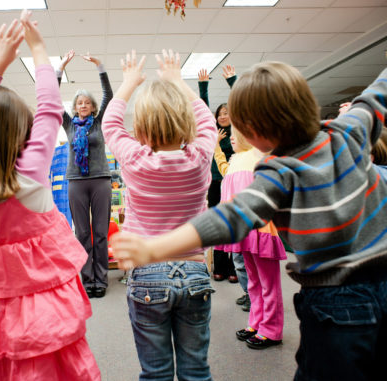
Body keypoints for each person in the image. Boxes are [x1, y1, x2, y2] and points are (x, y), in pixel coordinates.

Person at [111, 23, 387, 380]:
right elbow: (383, 90)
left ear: (254, 133)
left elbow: (230, 217)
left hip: (337, 303)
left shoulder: (277, 173)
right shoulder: (349, 130)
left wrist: (155, 248)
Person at [0, 12, 100, 380]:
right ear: (20, 134)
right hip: (43, 310)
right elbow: (49, 108)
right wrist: (39, 50)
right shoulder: (28, 175)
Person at [102, 49, 217, 380]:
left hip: (147, 275)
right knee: (196, 369)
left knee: (156, 371)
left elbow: (110, 123)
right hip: (195, 273)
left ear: (140, 128)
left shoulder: (135, 160)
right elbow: (206, 118)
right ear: (187, 124)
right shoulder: (199, 158)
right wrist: (178, 81)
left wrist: (128, 84)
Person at [214, 127, 286, 349]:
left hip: (261, 229)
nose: (232, 138)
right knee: (253, 281)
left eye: (238, 134)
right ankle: (256, 322)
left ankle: (272, 330)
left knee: (268, 283)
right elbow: (223, 167)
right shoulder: (236, 159)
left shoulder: (259, 155)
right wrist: (217, 146)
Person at [57, 49, 113, 298]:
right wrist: (60, 69)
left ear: (92, 107)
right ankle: (87, 278)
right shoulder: (68, 124)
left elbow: (109, 95)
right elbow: (50, 98)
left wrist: (100, 66)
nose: (83, 106)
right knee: (81, 233)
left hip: (100, 180)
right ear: (75, 107)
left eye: (87, 103)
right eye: (79, 103)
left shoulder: (99, 122)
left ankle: (101, 279)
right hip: (76, 182)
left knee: (100, 232)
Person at [198, 66, 240, 284]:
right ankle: (221, 267)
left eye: (227, 113)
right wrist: (203, 86)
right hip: (215, 183)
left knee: (233, 225)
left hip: (235, 183)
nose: (223, 115)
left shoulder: (239, 131)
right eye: (220, 113)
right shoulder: (212, 131)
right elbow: (204, 111)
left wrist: (233, 81)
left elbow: (244, 104)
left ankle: (235, 267)